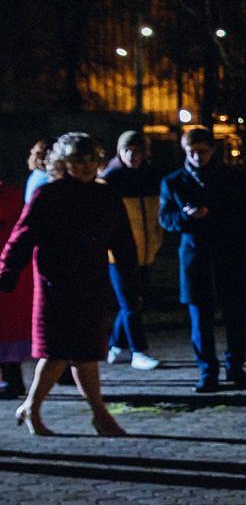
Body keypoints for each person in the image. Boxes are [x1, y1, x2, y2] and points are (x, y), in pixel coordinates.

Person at [0, 132, 138, 436]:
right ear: (64, 162)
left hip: (91, 282)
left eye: (90, 159)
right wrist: (7, 271)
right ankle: (94, 414)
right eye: (78, 160)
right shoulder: (48, 195)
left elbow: (124, 244)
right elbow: (23, 236)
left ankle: (70, 412)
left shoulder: (106, 196)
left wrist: (132, 283)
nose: (86, 166)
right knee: (58, 351)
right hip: (56, 283)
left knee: (86, 351)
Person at [160, 128, 246, 392]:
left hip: (229, 255)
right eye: (191, 151)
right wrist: (185, 216)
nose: (197, 157)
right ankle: (208, 372)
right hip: (197, 259)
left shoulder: (233, 178)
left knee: (236, 318)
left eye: (202, 151)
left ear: (213, 150)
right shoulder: (174, 181)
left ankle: (235, 368)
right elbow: (165, 218)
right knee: (201, 321)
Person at [101, 130, 163, 370]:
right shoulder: (112, 178)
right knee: (130, 302)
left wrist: (155, 242)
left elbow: (155, 215)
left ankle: (116, 346)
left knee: (136, 301)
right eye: (127, 150)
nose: (132, 155)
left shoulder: (150, 176)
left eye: (137, 151)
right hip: (119, 254)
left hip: (145, 253)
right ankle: (138, 351)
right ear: (119, 151)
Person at [0, 174, 30, 399]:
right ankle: (13, 380)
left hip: (6, 272)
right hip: (15, 273)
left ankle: (11, 381)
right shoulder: (15, 196)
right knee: (10, 328)